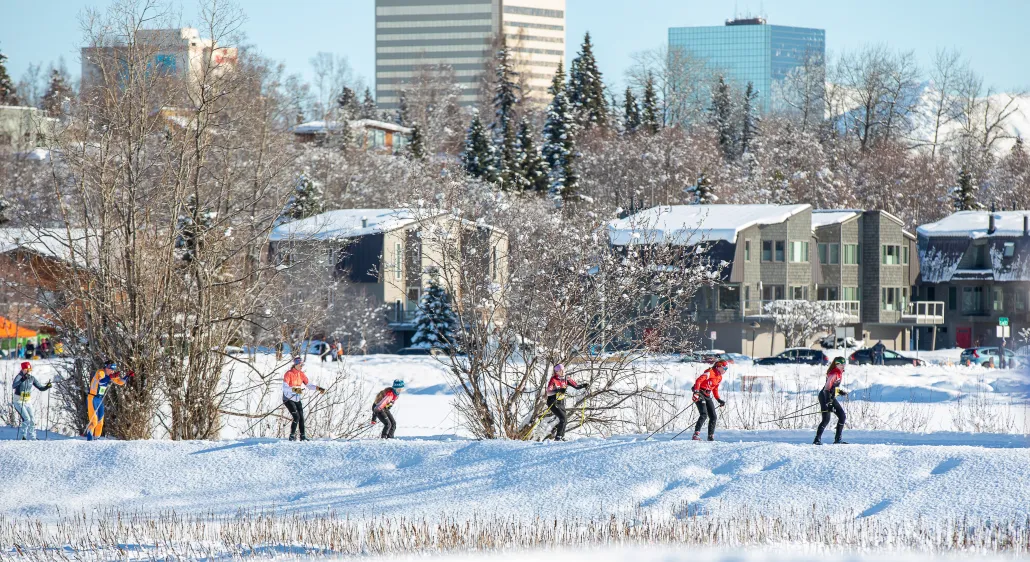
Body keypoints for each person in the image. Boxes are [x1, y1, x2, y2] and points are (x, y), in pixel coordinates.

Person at [282, 356, 325, 441]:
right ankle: (292, 436)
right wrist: (296, 389)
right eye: (300, 365)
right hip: (288, 398)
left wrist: (319, 388)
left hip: (297, 398)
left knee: (301, 417)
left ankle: (303, 436)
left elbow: (309, 385)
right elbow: (285, 387)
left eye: (302, 365)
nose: (302, 367)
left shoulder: (301, 374)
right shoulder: (289, 373)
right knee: (296, 417)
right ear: (296, 364)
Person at [86, 361, 130, 441]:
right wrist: (111, 377)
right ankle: (89, 441)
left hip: (100, 399)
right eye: (111, 369)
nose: (112, 371)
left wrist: (127, 376)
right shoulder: (100, 372)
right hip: (92, 398)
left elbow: (120, 382)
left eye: (113, 370)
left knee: (100, 422)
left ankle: (96, 440)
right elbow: (101, 381)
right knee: (94, 421)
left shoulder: (110, 375)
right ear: (106, 367)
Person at [545, 364, 587, 441]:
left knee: (565, 419)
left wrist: (583, 386)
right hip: (553, 402)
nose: (562, 371)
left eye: (563, 370)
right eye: (560, 370)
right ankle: (558, 437)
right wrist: (558, 390)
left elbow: (576, 386)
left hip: (560, 401)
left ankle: (562, 436)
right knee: (562, 418)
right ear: (556, 372)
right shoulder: (553, 379)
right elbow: (548, 392)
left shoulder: (566, 378)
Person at [11, 362, 52, 440]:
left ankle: (33, 437)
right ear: (22, 369)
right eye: (26, 369)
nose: (28, 371)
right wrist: (22, 380)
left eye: (29, 369)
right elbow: (14, 385)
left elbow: (40, 387)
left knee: (32, 419)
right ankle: (22, 436)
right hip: (18, 401)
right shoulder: (19, 376)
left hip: (27, 402)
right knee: (27, 419)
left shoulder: (31, 378)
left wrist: (47, 387)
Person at [814, 356, 849, 445]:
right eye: (841, 364)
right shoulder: (834, 374)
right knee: (826, 419)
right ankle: (817, 440)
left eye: (844, 364)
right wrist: (828, 403)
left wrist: (839, 391)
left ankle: (838, 439)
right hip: (825, 397)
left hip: (831, 397)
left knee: (842, 416)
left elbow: (833, 388)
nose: (843, 366)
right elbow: (827, 389)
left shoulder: (839, 373)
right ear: (837, 365)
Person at [691, 359, 729, 441]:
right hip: (700, 392)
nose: (725, 370)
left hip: (707, 395)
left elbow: (715, 389)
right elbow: (698, 381)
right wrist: (696, 392)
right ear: (719, 367)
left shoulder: (719, 377)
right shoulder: (710, 372)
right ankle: (696, 434)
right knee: (704, 414)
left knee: (713, 416)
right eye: (724, 368)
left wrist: (718, 399)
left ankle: (710, 436)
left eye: (726, 369)